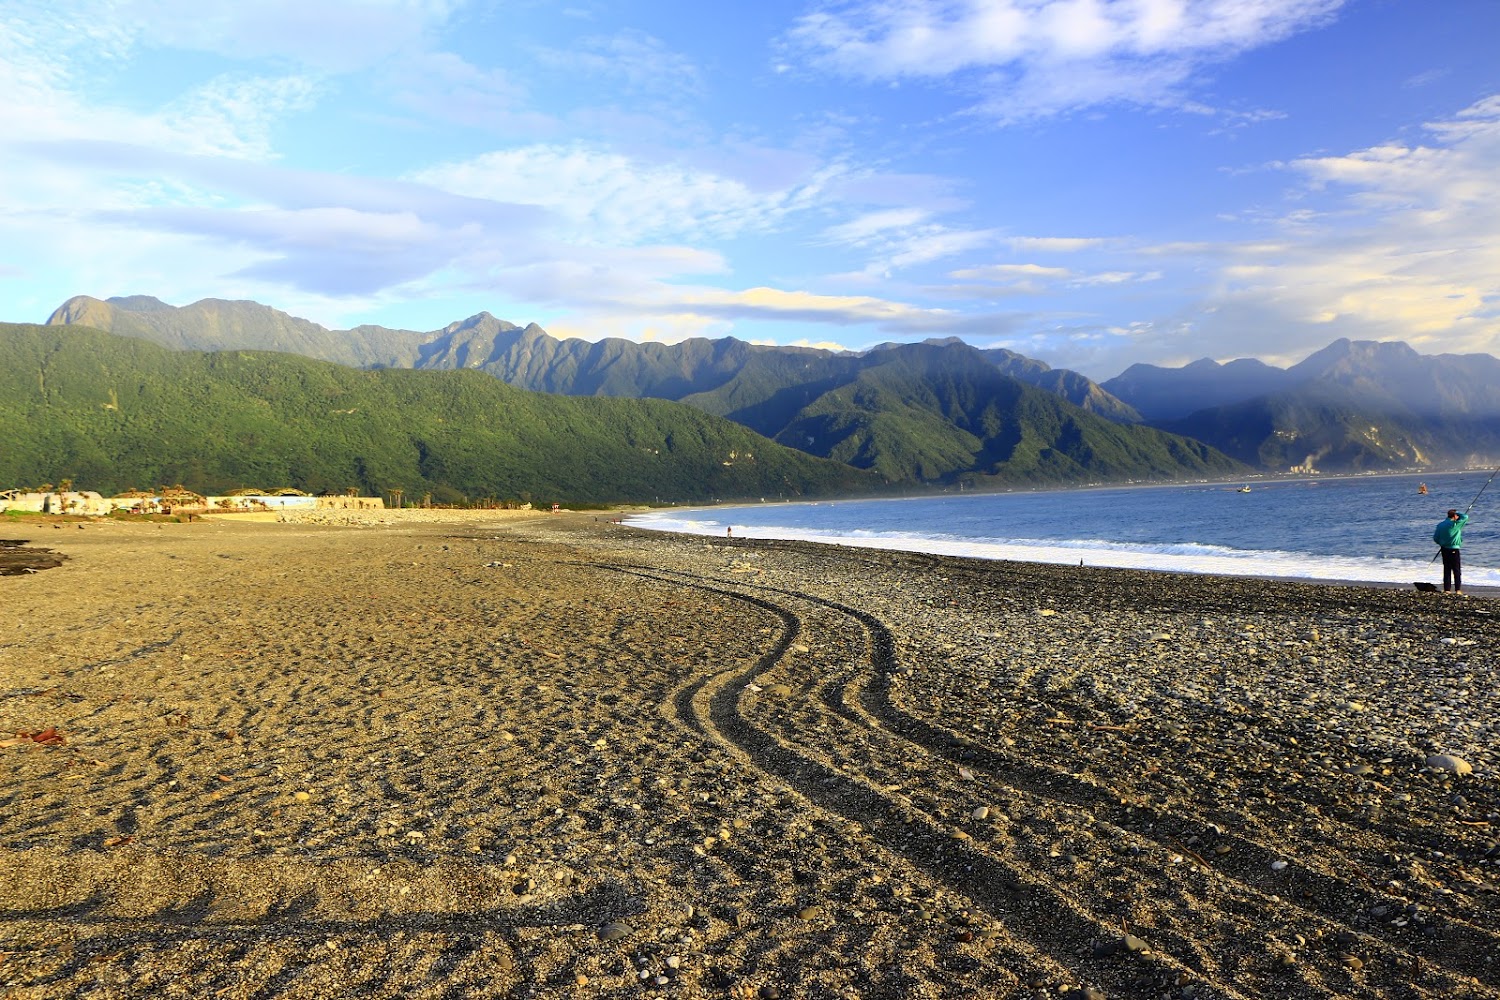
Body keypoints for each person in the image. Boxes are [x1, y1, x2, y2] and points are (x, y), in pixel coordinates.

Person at [1433, 508, 1470, 595]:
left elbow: (1435, 538)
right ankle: (1457, 589)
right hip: (1454, 549)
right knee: (1456, 570)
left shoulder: (1440, 525)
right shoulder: (1455, 524)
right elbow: (1465, 517)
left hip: (1444, 548)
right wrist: (1457, 513)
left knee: (1447, 569)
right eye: (1456, 515)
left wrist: (1442, 543)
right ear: (1454, 516)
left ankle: (1447, 589)